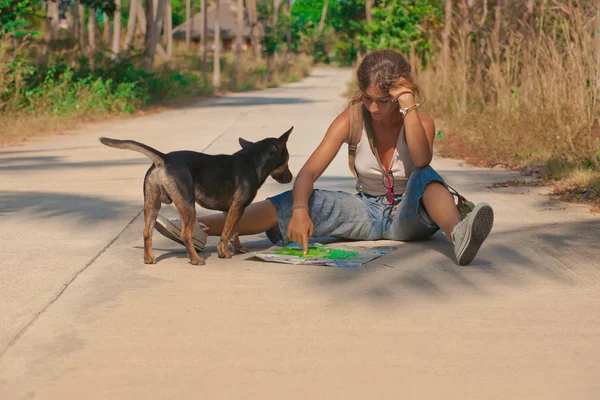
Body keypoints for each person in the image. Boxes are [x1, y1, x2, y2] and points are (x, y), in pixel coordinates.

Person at [154, 49, 494, 266]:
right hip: (367, 211)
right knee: (299, 199)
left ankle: (459, 235)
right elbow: (307, 173)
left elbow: (420, 158)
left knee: (426, 175)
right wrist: (301, 211)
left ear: (400, 92)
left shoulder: (418, 120)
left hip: (412, 215)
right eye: (367, 98)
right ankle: (197, 228)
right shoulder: (353, 118)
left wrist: (408, 107)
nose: (374, 109)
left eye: (383, 100)